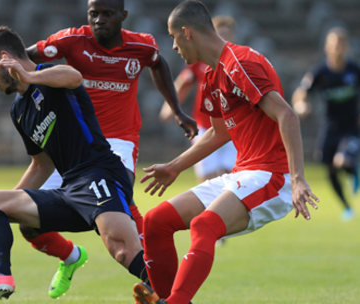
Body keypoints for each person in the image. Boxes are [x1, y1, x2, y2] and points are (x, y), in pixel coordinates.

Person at [132, 1, 319, 304]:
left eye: (173, 37)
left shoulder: (240, 63)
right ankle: (170, 299)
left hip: (273, 175)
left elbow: (287, 115)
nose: (174, 46)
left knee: (203, 225)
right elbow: (220, 133)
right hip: (242, 173)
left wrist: (298, 179)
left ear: (186, 32)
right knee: (156, 221)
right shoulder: (211, 75)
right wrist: (176, 166)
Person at [0, 25, 148, 303]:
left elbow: (74, 76)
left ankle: (173, 294)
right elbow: (41, 165)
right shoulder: (19, 110)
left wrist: (30, 75)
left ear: (4, 58)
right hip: (70, 190)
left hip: (98, 175)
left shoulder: (50, 76)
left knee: (122, 251)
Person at [22, 0, 197, 298]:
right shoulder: (71, 41)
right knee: (27, 222)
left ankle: (159, 278)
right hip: (73, 142)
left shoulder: (141, 47)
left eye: (107, 14)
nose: (99, 20)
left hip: (119, 139)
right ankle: (70, 257)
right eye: (93, 14)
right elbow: (24, 58)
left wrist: (177, 110)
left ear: (122, 16)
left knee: (120, 204)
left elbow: (157, 63)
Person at [292, 26, 360, 221]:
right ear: (327, 47)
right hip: (330, 128)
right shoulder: (320, 72)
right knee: (329, 169)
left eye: (341, 43)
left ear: (346, 47)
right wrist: (301, 104)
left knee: (342, 161)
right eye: (334, 43)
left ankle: (353, 169)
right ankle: (347, 207)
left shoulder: (354, 70)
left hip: (351, 129)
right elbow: (302, 92)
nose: (337, 47)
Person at [160, 15, 237, 182]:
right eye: (220, 34)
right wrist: (170, 107)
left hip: (233, 128)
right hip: (204, 126)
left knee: (229, 178)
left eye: (227, 34)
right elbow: (183, 83)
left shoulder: (237, 62)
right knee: (207, 180)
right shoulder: (201, 61)